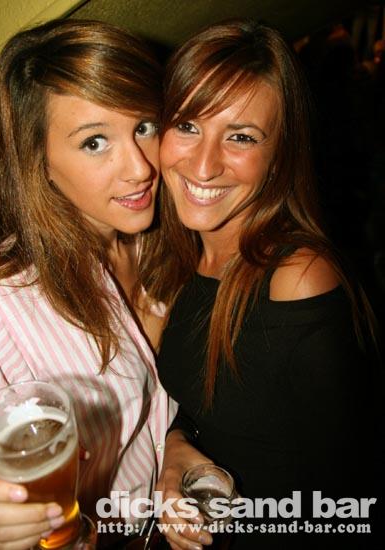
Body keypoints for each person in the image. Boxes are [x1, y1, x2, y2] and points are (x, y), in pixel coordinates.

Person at [139, 19, 384, 549]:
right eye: (188, 126)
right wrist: (178, 448)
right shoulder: (182, 254)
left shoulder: (297, 278)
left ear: (278, 158)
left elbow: (348, 501)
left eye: (241, 137)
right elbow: (211, 409)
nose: (204, 165)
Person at [0, 19, 176, 549]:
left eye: (145, 126)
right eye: (94, 142)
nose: (140, 167)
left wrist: (180, 451)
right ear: (37, 161)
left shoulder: (161, 241)